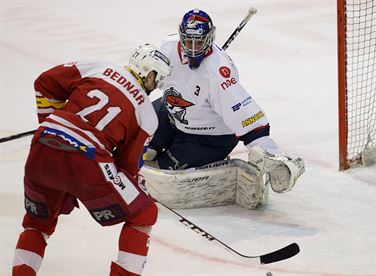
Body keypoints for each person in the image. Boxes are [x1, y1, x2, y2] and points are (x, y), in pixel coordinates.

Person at [12, 43, 171, 276]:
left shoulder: (98, 67)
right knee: (145, 214)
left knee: (37, 224)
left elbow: (45, 83)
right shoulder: (147, 114)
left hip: (43, 144)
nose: (155, 87)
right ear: (149, 73)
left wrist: (52, 123)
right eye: (156, 80)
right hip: (88, 159)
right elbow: (126, 167)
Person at [143, 9, 304, 208]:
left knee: (165, 167)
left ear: (210, 39)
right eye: (188, 42)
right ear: (181, 36)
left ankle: (214, 163)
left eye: (199, 43)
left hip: (207, 138)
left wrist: (268, 153)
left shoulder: (218, 74)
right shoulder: (168, 46)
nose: (193, 49)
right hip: (173, 111)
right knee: (141, 130)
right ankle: (156, 143)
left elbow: (248, 117)